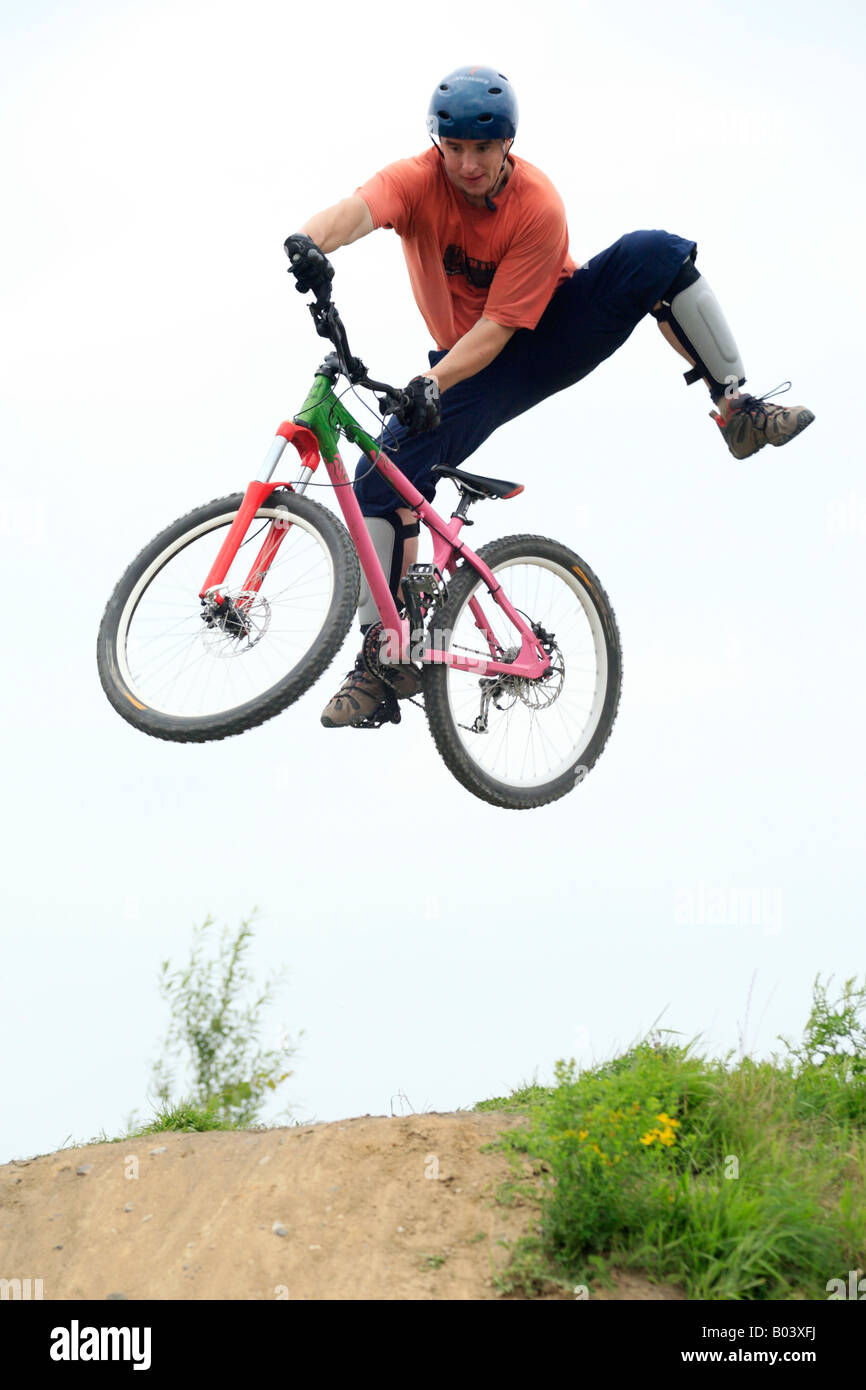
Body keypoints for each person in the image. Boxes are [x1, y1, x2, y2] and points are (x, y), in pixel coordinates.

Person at [284, 65, 814, 729]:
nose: (469, 165)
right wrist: (309, 241)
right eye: (456, 150)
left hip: (550, 333)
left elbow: (501, 328)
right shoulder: (416, 179)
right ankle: (386, 661)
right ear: (438, 143)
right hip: (467, 372)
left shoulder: (537, 205)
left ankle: (738, 409)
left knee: (653, 253)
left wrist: (433, 382)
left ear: (508, 145)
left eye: (484, 150)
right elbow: (355, 212)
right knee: (376, 481)